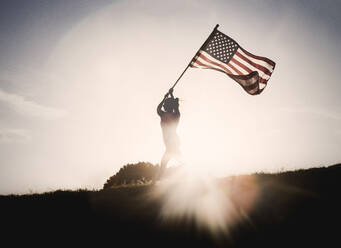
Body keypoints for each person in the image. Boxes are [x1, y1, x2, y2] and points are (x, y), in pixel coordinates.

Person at [155, 88, 181, 182]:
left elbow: (158, 108)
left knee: (165, 161)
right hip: (172, 142)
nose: (164, 106)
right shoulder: (174, 115)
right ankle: (159, 179)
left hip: (172, 142)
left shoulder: (169, 115)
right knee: (176, 159)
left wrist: (165, 97)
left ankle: (159, 180)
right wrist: (169, 96)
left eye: (166, 105)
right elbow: (159, 109)